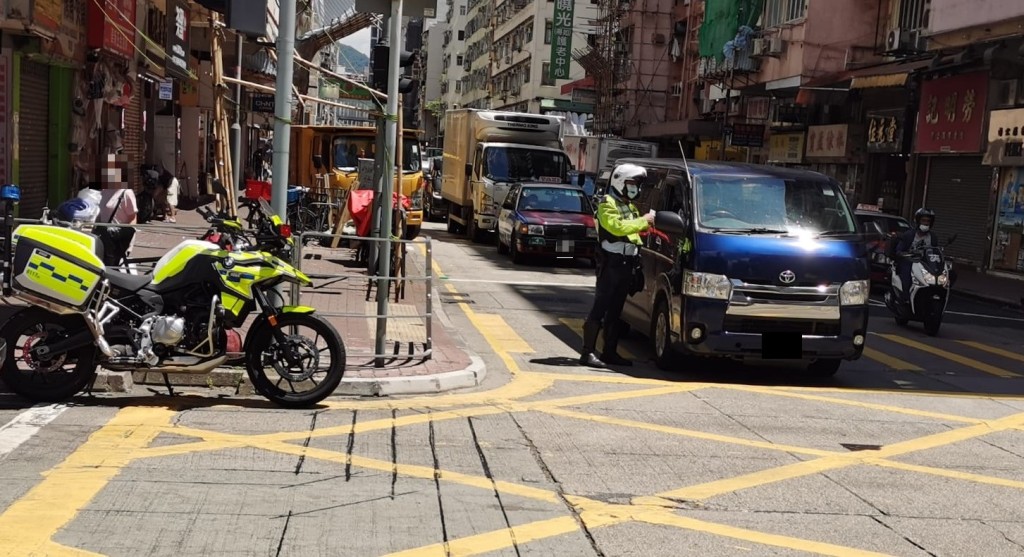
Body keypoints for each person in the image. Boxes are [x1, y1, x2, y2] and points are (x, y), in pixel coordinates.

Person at [580, 163, 655, 369]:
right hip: (611, 263)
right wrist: (643, 221)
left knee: (616, 310)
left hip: (626, 264)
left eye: (637, 185)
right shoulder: (607, 203)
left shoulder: (628, 206)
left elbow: (632, 233)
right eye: (633, 184)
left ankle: (609, 352)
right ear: (620, 182)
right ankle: (587, 353)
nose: (636, 189)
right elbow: (616, 226)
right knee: (600, 307)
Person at [894, 208, 938, 301]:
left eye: (928, 221)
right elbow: (899, 250)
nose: (926, 223)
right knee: (907, 277)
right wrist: (903, 254)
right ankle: (906, 299)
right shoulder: (909, 235)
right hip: (910, 262)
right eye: (923, 220)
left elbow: (936, 251)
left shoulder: (933, 237)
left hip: (926, 264)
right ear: (918, 221)